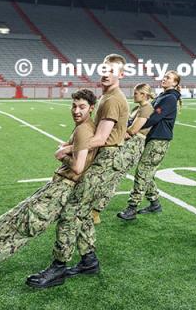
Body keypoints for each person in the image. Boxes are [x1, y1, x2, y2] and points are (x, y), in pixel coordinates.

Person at [26, 54, 129, 289]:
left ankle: (58, 267)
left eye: (112, 70)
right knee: (81, 213)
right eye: (104, 68)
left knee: (71, 212)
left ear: (121, 74)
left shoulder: (113, 99)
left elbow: (101, 138)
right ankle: (89, 261)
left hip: (105, 162)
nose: (106, 73)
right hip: (105, 160)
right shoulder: (107, 96)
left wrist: (69, 148)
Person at [0, 89, 98, 279]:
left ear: (91, 108)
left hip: (63, 187)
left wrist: (62, 155)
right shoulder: (86, 127)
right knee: (15, 218)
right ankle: (89, 261)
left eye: (82, 107)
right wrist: (69, 149)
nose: (76, 111)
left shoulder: (84, 129)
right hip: (62, 185)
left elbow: (78, 166)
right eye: (74, 106)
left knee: (23, 227)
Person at [117, 70, 181, 220]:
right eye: (164, 76)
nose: (164, 79)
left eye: (169, 78)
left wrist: (134, 127)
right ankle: (154, 202)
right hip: (153, 138)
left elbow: (153, 118)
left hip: (159, 140)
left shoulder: (170, 98)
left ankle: (132, 208)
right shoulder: (163, 96)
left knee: (143, 171)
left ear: (175, 83)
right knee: (147, 172)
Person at [91, 83, 155, 224]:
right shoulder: (138, 108)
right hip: (126, 144)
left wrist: (117, 134)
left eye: (136, 93)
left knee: (114, 178)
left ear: (143, 94)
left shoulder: (147, 109)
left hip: (133, 146)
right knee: (109, 175)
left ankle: (96, 212)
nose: (134, 95)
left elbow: (133, 130)